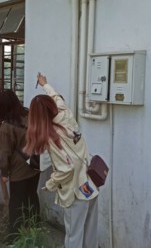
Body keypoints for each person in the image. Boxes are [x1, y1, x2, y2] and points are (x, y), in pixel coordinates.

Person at [23, 73, 99, 248]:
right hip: (91, 183)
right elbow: (56, 98)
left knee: (74, 237)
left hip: (75, 192)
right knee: (90, 234)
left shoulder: (51, 138)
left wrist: (50, 184)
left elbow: (66, 169)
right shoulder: (66, 115)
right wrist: (45, 84)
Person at [0, 90, 41, 244]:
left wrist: (4, 172)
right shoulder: (29, 115)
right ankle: (35, 228)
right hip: (35, 165)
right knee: (32, 197)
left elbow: (5, 153)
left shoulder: (7, 126)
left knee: (16, 203)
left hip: (18, 170)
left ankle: (13, 238)